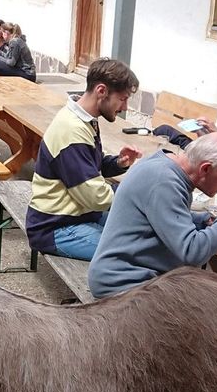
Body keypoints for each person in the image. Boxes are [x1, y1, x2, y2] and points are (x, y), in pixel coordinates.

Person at [87, 133, 217, 299]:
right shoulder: (165, 181)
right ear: (205, 168)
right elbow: (193, 252)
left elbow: (160, 212)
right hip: (125, 285)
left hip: (134, 277)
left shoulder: (165, 165)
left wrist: (202, 219)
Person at [26, 59, 143, 260]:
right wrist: (139, 195)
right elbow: (96, 197)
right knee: (135, 253)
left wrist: (118, 163)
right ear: (101, 91)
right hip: (55, 227)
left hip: (79, 214)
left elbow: (89, 168)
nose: (124, 107)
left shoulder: (82, 119)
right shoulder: (72, 130)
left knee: (138, 230)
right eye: (122, 99)